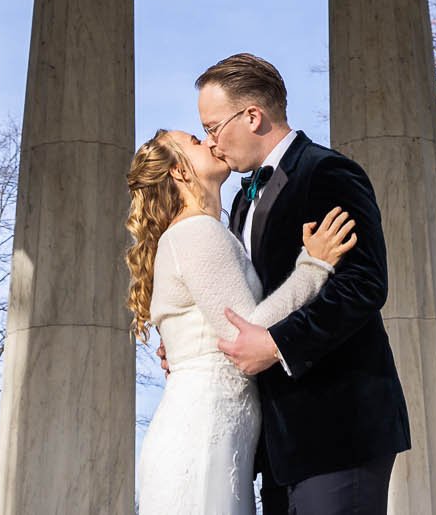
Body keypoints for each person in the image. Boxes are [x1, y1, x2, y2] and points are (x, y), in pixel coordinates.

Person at [197, 53, 410, 514]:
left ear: (252, 115)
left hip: (340, 425)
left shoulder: (327, 172)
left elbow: (363, 285)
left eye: (213, 127)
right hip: (277, 442)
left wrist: (277, 345)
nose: (212, 143)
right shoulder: (238, 203)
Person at [129, 127, 359, 515]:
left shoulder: (206, 231)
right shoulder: (197, 232)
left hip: (217, 437)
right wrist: (313, 266)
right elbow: (245, 334)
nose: (211, 142)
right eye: (196, 142)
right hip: (201, 439)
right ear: (179, 172)